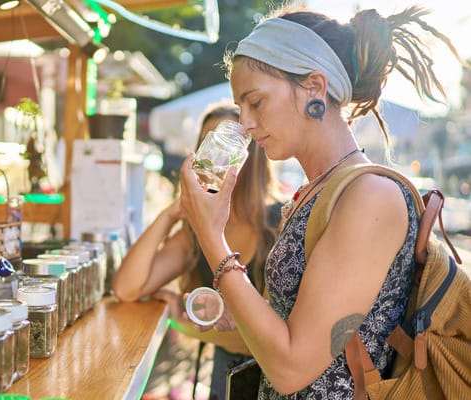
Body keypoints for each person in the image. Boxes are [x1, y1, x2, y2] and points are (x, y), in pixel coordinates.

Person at [177, 4, 466, 399]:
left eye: (255, 102)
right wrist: (244, 313)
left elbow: (292, 368)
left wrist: (212, 238)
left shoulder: (370, 198)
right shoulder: (318, 191)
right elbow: (296, 324)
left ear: (314, 88)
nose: (244, 121)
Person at [113, 102, 283, 399]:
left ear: (250, 156)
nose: (215, 159)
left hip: (273, 381)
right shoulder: (195, 231)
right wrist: (172, 212)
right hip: (224, 374)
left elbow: (269, 334)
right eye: (210, 144)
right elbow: (126, 288)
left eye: (228, 145)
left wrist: (187, 320)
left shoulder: (278, 222)